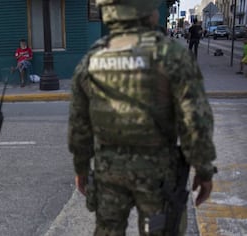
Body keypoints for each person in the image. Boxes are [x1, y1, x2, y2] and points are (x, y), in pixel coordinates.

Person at [68, 0, 217, 235]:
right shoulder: (171, 54)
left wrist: (81, 167)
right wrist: (203, 169)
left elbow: (79, 124)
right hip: (157, 174)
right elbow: (195, 119)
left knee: (107, 230)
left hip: (109, 172)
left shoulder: (92, 59)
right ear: (148, 11)